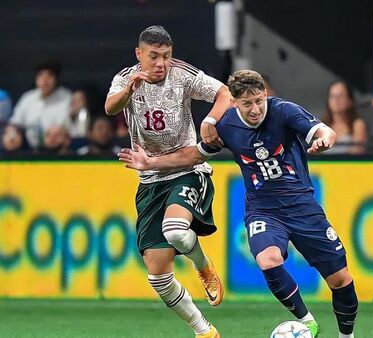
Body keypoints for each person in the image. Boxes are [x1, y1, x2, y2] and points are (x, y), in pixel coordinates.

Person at [118, 70, 359, 338]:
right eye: (247, 103)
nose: (255, 109)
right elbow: (195, 155)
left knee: (340, 280)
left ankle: (346, 336)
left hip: (302, 206)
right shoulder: (228, 126)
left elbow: (324, 130)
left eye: (259, 100)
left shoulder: (284, 111)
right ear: (234, 102)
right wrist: (150, 163)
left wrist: (325, 139)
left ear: (265, 95)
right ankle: (307, 321)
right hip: (263, 211)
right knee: (268, 260)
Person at [104, 25, 232, 338]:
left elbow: (224, 93)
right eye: (153, 56)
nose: (161, 63)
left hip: (187, 170)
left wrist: (210, 121)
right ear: (139, 54)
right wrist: (131, 87)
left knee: (174, 230)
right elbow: (110, 108)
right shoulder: (126, 78)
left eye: (166, 56)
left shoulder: (182, 75)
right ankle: (204, 331)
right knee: (158, 277)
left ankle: (202, 265)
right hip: (150, 180)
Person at [9, 62, 72, 149]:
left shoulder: (66, 97)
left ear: (56, 79)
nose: (45, 80)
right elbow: (15, 123)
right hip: (29, 150)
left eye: (49, 76)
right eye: (41, 76)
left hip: (58, 150)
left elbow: (71, 127)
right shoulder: (27, 98)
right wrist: (12, 132)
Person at [322, 81, 368, 154]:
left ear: (349, 101)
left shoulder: (357, 124)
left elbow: (357, 155)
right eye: (332, 96)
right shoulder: (322, 126)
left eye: (340, 96)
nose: (336, 100)